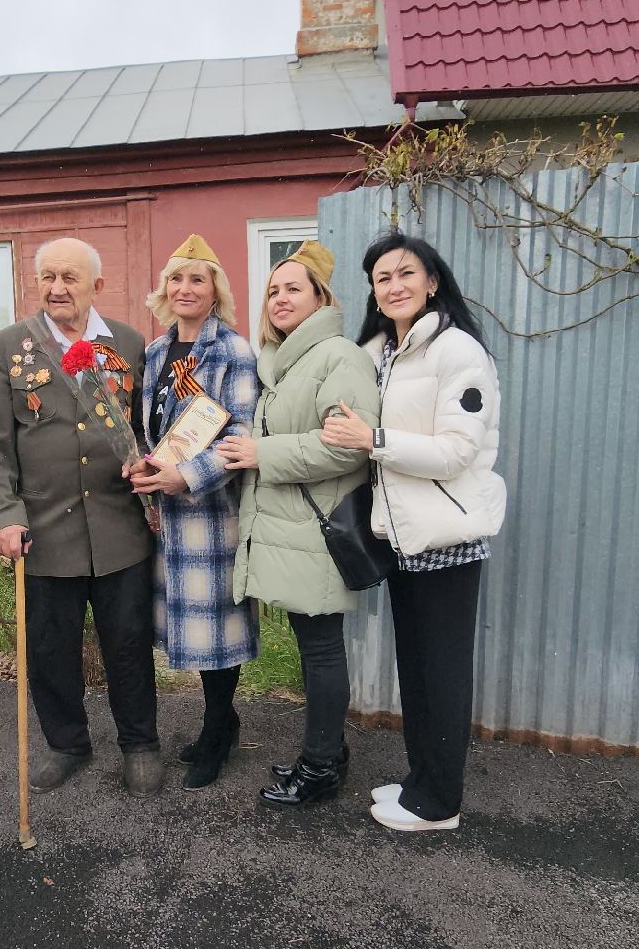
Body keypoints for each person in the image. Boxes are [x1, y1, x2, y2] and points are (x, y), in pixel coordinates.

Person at [319, 232, 506, 833]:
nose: (394, 286)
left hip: (447, 538)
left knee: (443, 671)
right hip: (400, 536)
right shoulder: (379, 351)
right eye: (381, 278)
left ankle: (440, 803)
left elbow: (456, 452)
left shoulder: (457, 351)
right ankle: (422, 779)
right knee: (417, 668)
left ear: (431, 280)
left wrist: (373, 442)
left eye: (406, 274)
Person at [0, 237, 163, 797]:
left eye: (70, 278)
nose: (58, 289)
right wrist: (2, 515)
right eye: (48, 277)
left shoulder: (128, 342)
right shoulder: (5, 348)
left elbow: (145, 429)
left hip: (118, 528)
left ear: (96, 287)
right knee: (51, 648)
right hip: (43, 529)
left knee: (127, 641)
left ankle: (140, 743)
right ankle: (66, 744)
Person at [215, 240, 380, 806]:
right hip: (292, 534)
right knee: (317, 648)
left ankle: (320, 769)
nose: (279, 298)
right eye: (272, 290)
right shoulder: (285, 361)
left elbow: (348, 449)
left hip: (318, 533)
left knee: (322, 649)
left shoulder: (339, 357)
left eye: (293, 289)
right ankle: (327, 750)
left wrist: (263, 452)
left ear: (320, 297)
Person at [125, 235, 259, 791]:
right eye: (177, 279)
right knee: (187, 627)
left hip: (211, 515)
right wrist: (141, 466)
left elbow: (243, 434)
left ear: (214, 292)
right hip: (163, 516)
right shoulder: (155, 354)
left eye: (197, 280)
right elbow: (149, 429)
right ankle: (220, 725)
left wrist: (188, 476)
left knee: (214, 632)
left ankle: (217, 733)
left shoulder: (233, 351)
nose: (185, 289)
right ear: (164, 290)